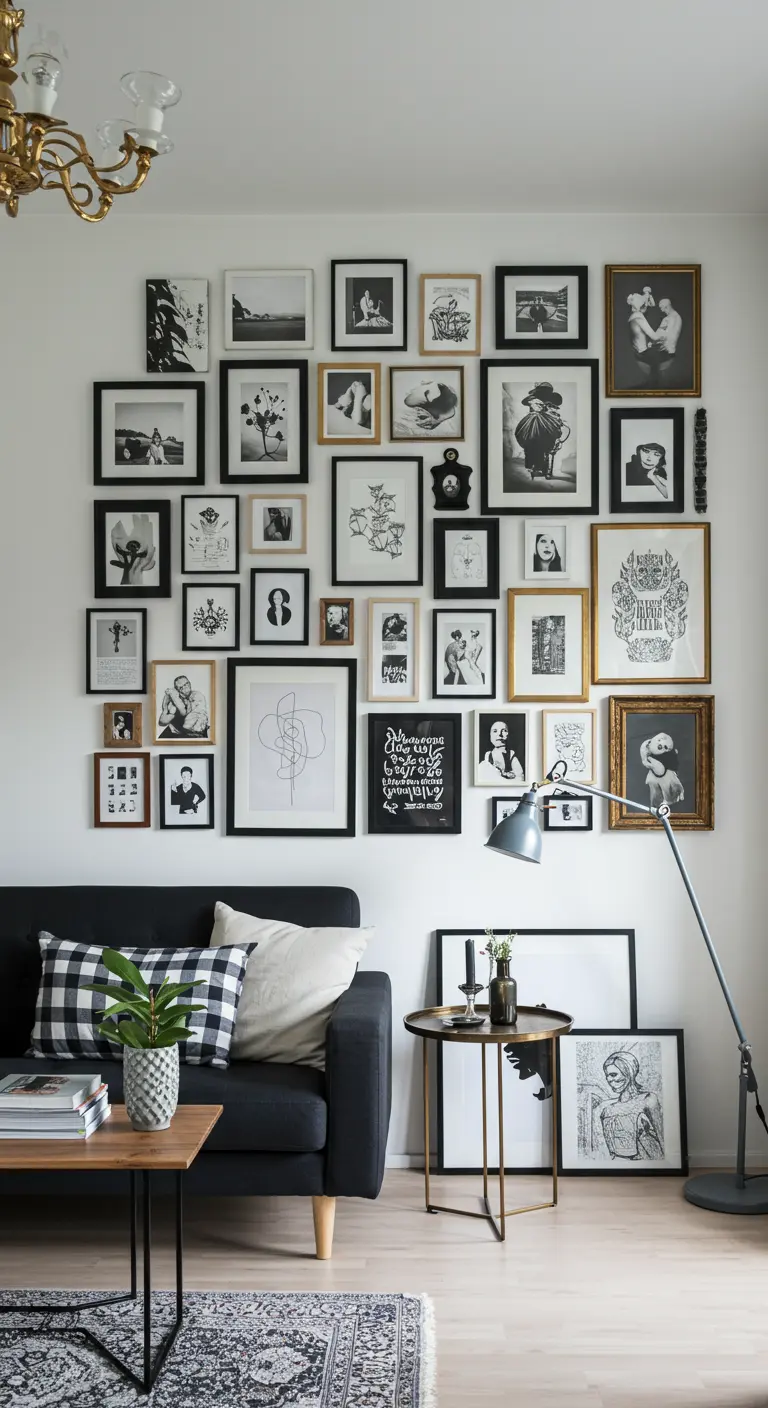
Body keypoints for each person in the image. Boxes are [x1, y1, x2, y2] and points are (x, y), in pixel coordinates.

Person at [597, 1051, 664, 1161]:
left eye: (613, 1074)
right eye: (607, 1076)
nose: (609, 1079)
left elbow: (663, 1138)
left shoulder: (648, 1099)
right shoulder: (607, 1111)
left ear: (629, 1072)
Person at [514, 382, 569, 479]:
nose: (543, 395)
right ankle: (533, 466)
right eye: (542, 392)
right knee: (532, 441)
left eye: (545, 393)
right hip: (533, 422)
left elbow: (553, 410)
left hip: (546, 422)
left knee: (546, 443)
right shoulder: (533, 400)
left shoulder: (549, 402)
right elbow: (534, 407)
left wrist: (555, 416)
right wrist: (542, 406)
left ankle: (543, 468)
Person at [158, 675, 209, 739]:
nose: (185, 687)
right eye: (181, 687)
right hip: (177, 733)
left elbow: (187, 713)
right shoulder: (173, 700)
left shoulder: (197, 695)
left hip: (194, 733)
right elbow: (162, 722)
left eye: (186, 684)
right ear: (177, 689)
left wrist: (175, 698)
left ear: (189, 683)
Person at [640, 733, 684, 807]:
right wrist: (646, 762)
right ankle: (656, 806)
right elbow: (644, 757)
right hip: (655, 773)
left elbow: (672, 765)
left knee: (669, 784)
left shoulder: (668, 757)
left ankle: (675, 795)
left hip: (666, 771)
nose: (662, 747)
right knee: (654, 786)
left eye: (665, 748)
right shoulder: (646, 746)